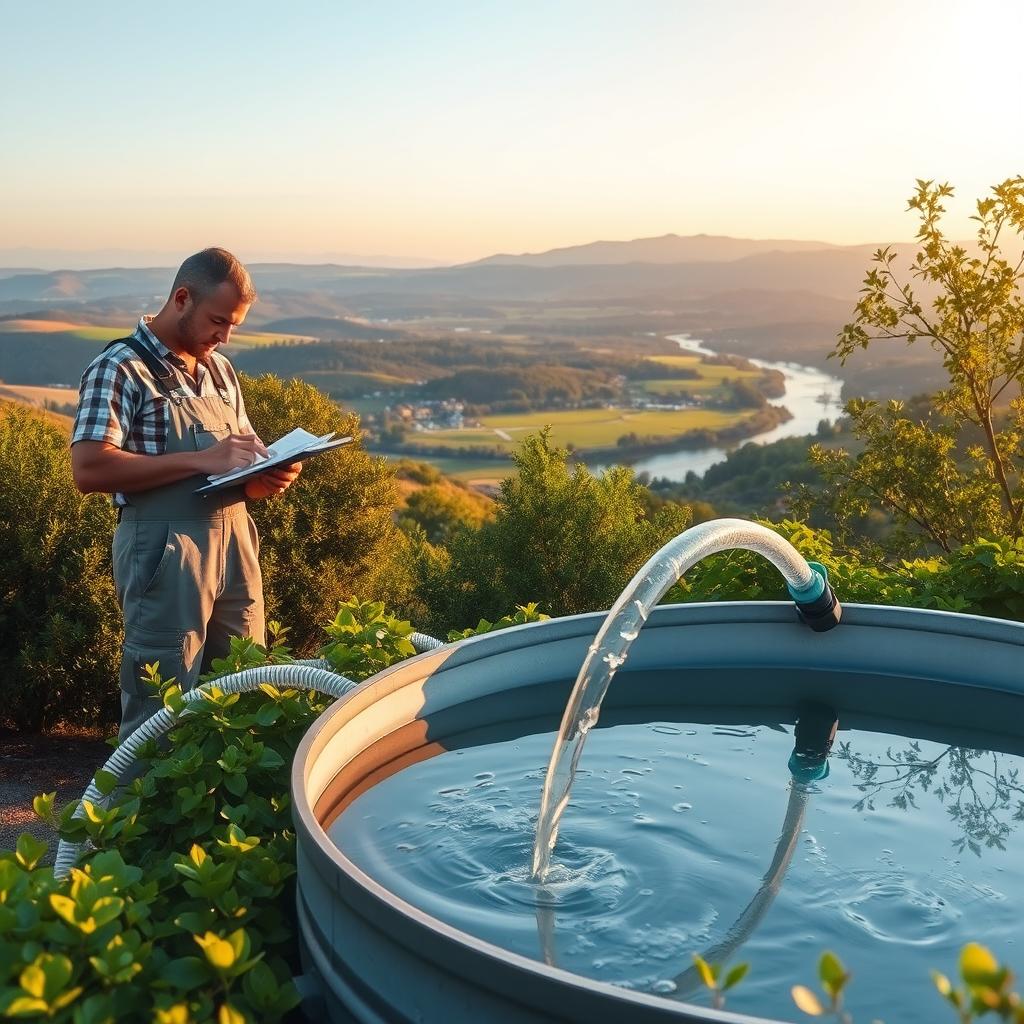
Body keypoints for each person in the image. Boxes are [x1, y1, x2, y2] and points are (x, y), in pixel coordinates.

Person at [70, 247, 301, 739]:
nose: (225, 336)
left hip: (236, 546)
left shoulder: (220, 371)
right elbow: (88, 469)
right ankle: (140, 816)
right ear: (181, 299)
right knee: (161, 706)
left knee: (247, 690)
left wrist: (266, 479)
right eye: (218, 321)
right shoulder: (119, 367)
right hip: (164, 551)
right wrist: (202, 459)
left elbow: (238, 467)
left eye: (234, 325)